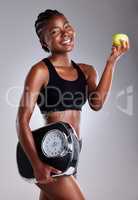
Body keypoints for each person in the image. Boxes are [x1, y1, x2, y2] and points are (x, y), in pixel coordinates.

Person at [16, 9, 129, 200]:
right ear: (44, 42)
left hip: (73, 153)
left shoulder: (86, 71)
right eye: (54, 32)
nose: (65, 33)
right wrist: (36, 165)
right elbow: (21, 121)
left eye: (66, 26)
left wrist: (112, 62)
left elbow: (97, 103)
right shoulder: (40, 71)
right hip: (49, 155)